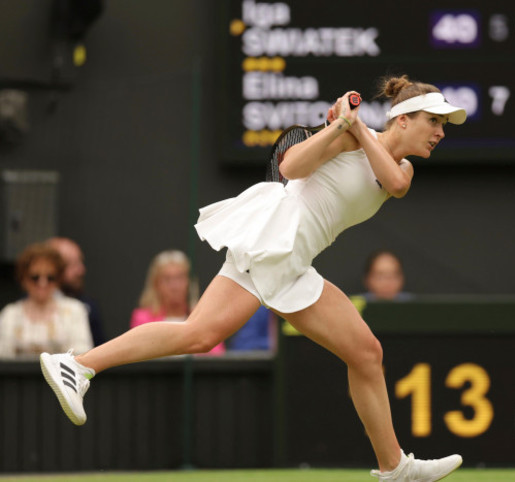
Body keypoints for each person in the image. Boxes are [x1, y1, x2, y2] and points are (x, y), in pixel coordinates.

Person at [40, 75, 466, 481]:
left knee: (366, 354)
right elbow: (293, 165)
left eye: (443, 125)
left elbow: (393, 182)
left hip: (294, 264)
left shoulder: (402, 167)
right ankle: (77, 365)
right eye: (434, 121)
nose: (440, 132)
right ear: (404, 118)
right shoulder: (351, 137)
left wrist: (358, 128)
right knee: (199, 335)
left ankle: (394, 469)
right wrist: (341, 126)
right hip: (273, 241)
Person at [0, 243, 93, 359]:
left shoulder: (75, 310)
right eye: (35, 277)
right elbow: (4, 359)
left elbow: (82, 355)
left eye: (50, 278)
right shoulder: (10, 314)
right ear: (23, 279)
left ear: (58, 280)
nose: (42, 283)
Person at [130, 250, 225, 355]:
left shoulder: (204, 319)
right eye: (167, 279)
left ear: (189, 282)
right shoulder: (143, 319)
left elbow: (217, 357)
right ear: (156, 284)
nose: (174, 286)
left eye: (180, 278)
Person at [48, 237, 106, 346]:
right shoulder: (20, 310)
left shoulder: (87, 307)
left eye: (80, 262)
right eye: (72, 265)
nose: (81, 270)